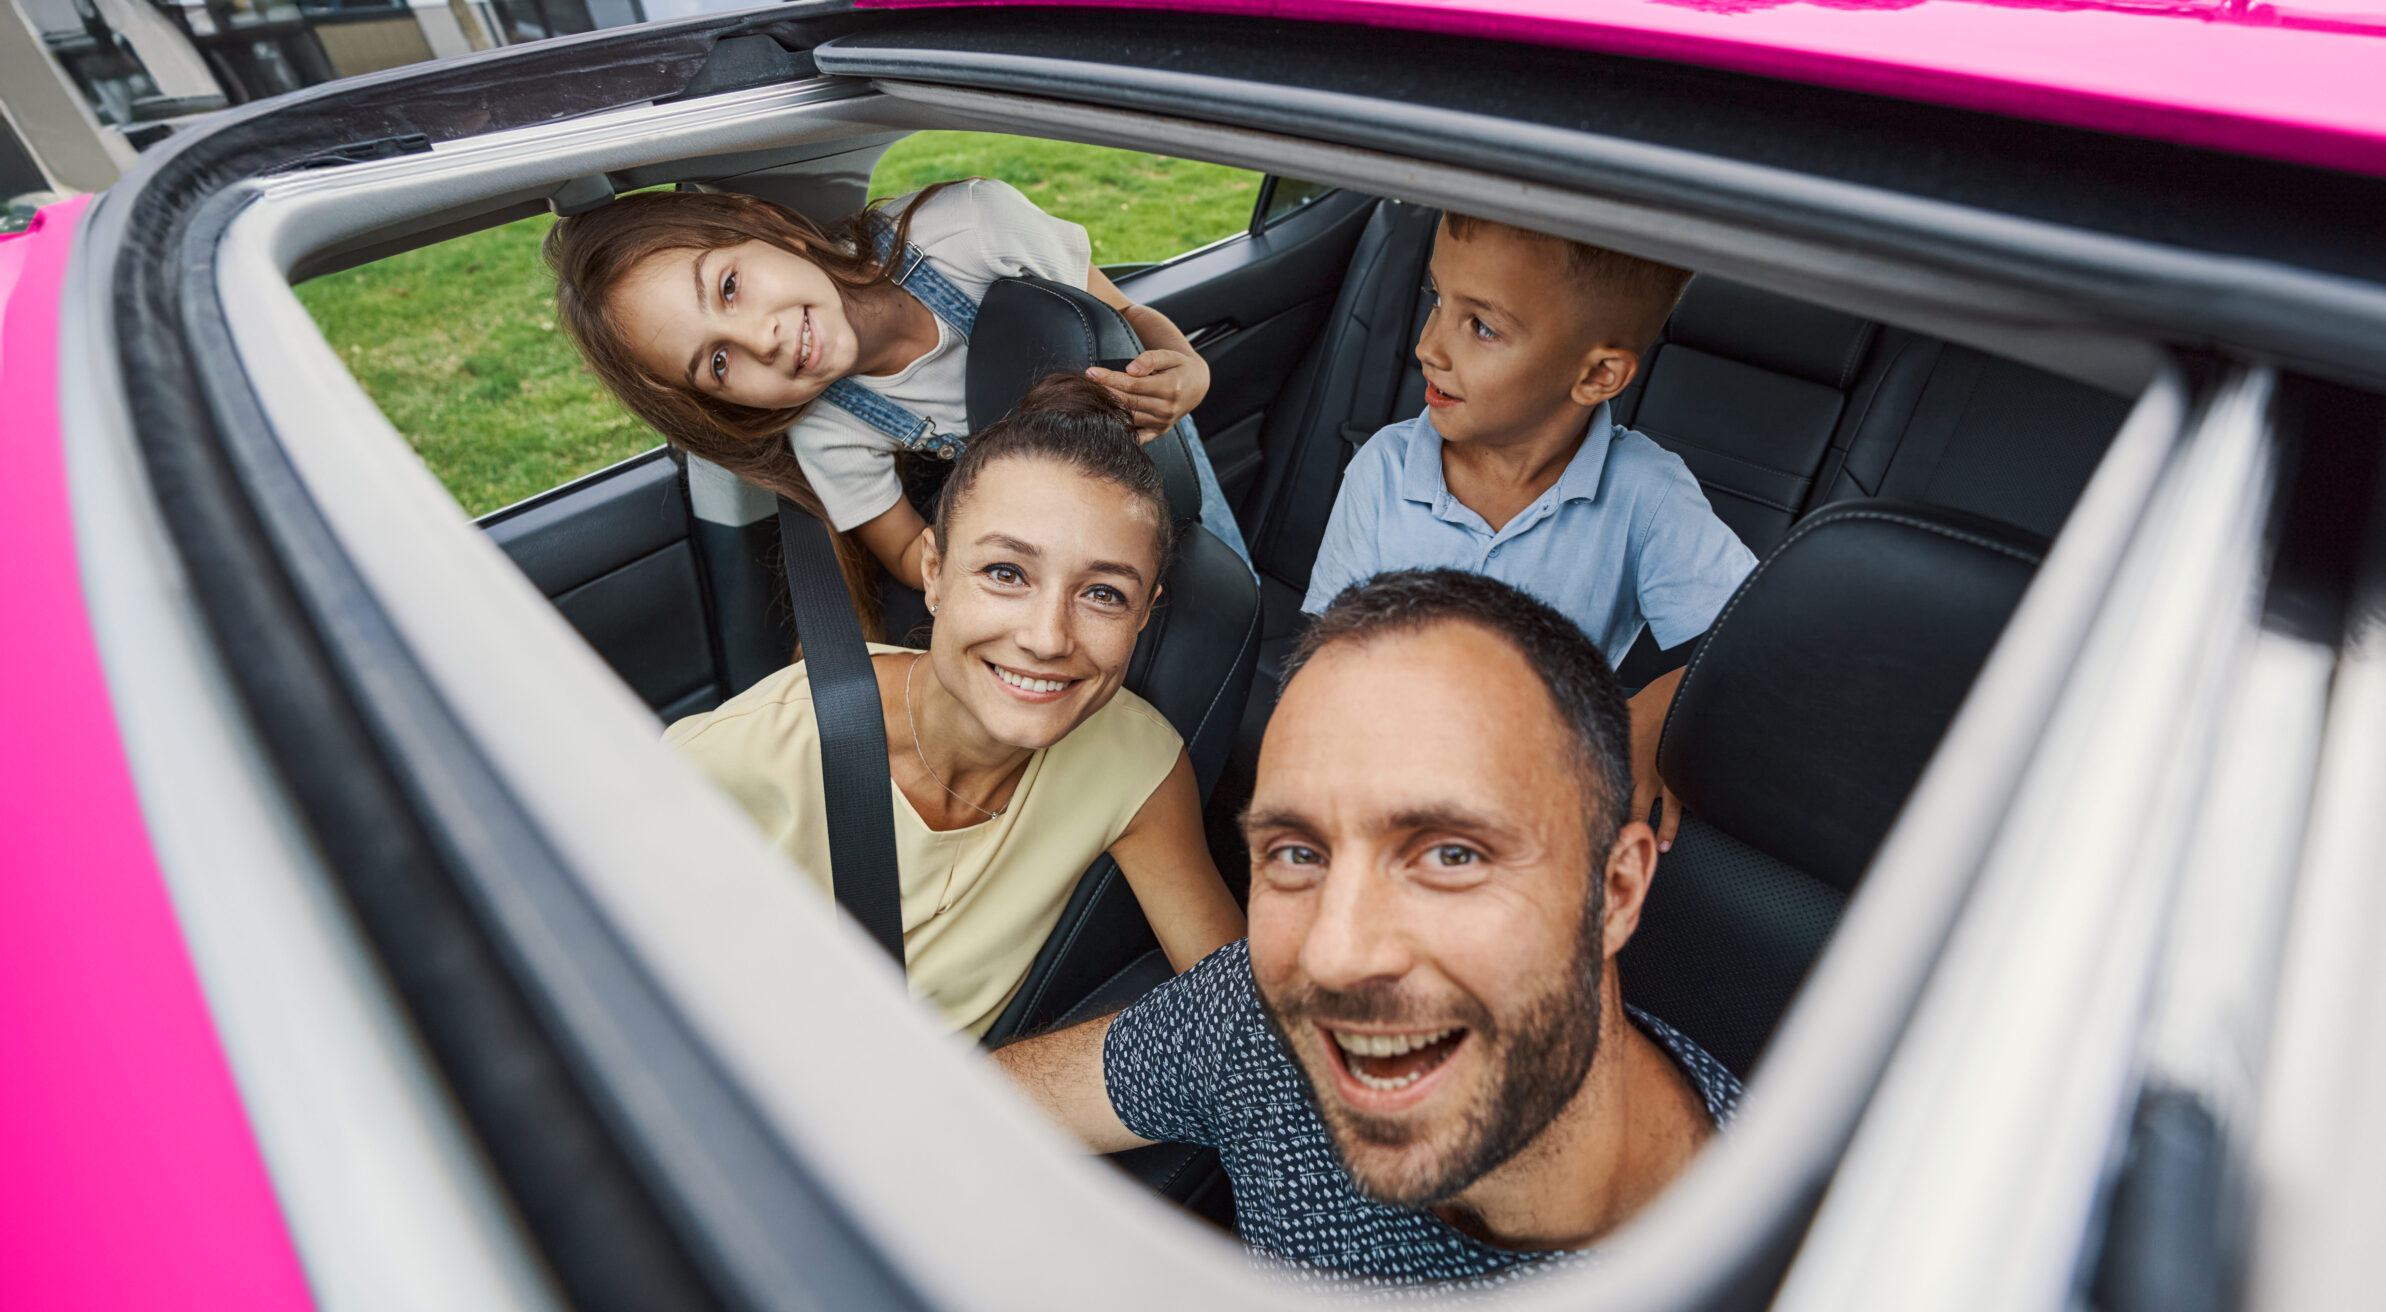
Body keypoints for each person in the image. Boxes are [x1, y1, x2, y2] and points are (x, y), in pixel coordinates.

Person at [994, 569, 1742, 1289]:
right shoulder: (1257, 1020)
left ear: (1614, 891)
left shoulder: (1800, 1266)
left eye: (1451, 854)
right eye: (1297, 853)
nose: (1334, 955)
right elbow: (969, 1112)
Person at [664, 376, 1244, 1037]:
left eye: (1105, 594)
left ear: (1145, 615)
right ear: (934, 572)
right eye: (1006, 573)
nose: (1048, 638)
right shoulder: (759, 744)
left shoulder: (1139, 764)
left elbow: (1246, 1022)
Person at [547, 179, 1252, 633]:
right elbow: (908, 553)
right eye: (719, 362)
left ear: (764, 223)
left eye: (729, 287)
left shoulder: (972, 230)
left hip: (1153, 463)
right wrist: (996, 572)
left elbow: (1125, 313)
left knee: (1219, 600)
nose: (759, 338)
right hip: (1049, 548)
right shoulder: (830, 426)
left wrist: (1188, 368)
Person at [1300, 213, 1757, 850]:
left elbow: (1756, 640)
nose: (1428, 346)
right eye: (1436, 299)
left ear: (1598, 376)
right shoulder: (1384, 467)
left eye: (1482, 326)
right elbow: (1329, 658)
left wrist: (1658, 707)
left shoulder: (1644, 492)